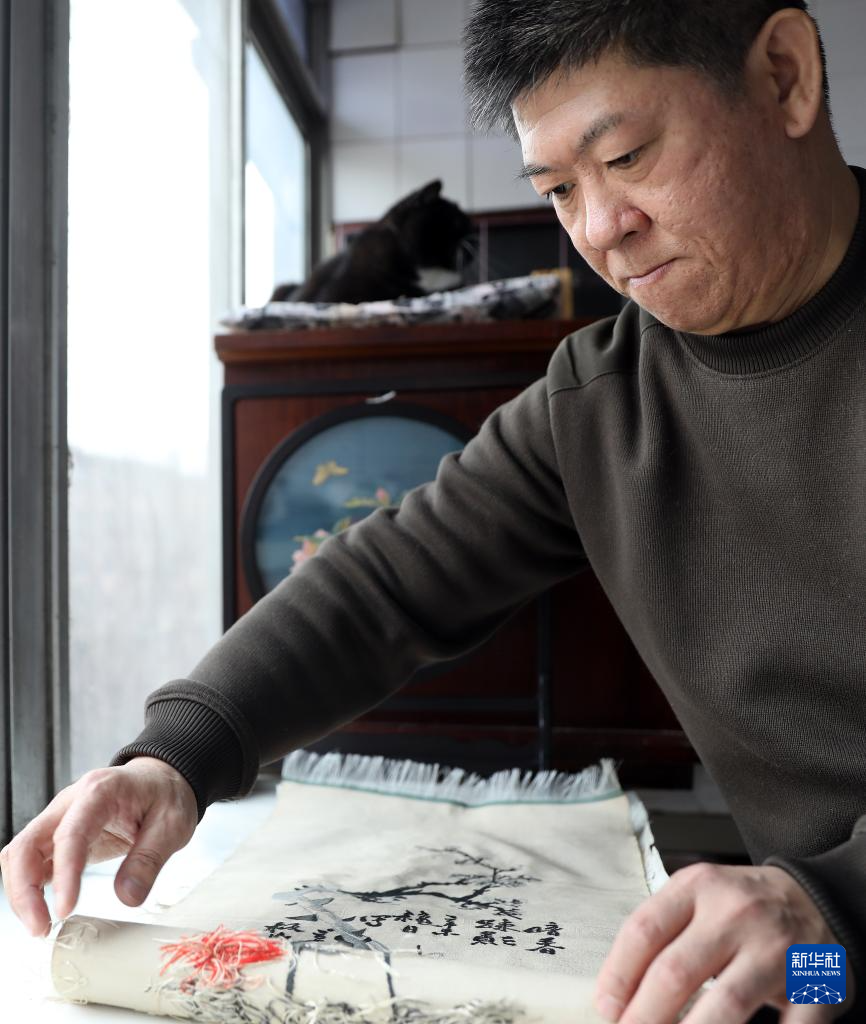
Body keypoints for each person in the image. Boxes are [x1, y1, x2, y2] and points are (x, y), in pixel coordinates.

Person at [2, 1, 863, 1020]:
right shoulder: (604, 400)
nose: (600, 229)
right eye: (558, 189)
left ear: (783, 77)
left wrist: (832, 901)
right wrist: (177, 754)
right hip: (822, 972)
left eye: (627, 157)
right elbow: (386, 582)